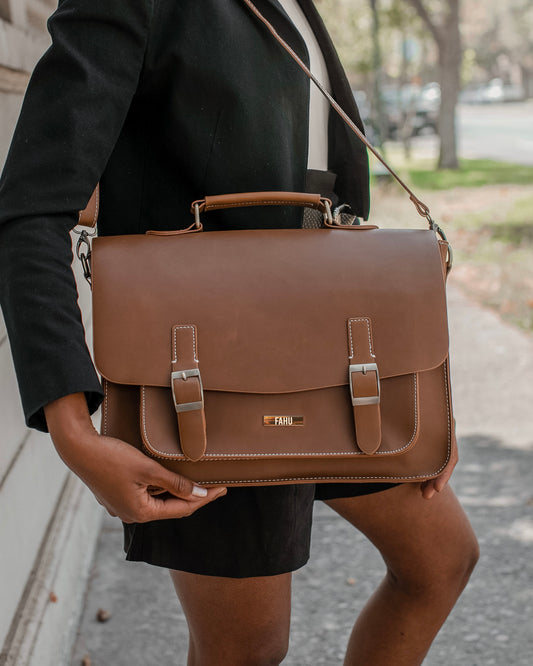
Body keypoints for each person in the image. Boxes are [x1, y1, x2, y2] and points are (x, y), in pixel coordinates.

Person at [0, 1, 478, 663]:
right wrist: (73, 432)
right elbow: (31, 212)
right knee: (247, 651)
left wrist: (422, 403)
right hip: (203, 378)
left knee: (441, 562)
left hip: (339, 359)